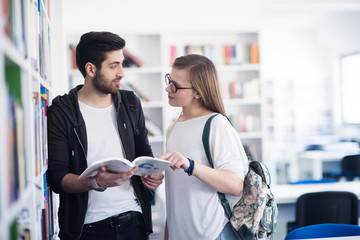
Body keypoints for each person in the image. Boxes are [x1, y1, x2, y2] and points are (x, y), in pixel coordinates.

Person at [46, 31, 164, 240]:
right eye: (113, 66)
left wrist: (152, 174)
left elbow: (143, 152)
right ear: (90, 69)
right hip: (87, 228)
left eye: (122, 63)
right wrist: (95, 182)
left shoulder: (131, 102)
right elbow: (57, 178)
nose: (122, 73)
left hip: (134, 221)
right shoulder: (62, 110)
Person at [160, 54, 249, 240]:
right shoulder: (173, 127)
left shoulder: (217, 124)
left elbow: (235, 184)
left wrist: (191, 166)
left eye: (176, 85)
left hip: (211, 233)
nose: (168, 88)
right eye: (169, 80)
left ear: (198, 92)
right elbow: (176, 193)